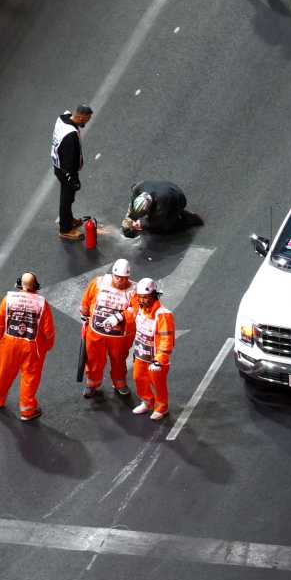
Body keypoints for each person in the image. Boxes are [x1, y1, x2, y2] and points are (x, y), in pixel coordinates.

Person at [0, 271, 55, 421]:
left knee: (4, 372)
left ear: (20, 285)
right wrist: (48, 346)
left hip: (8, 345)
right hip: (32, 347)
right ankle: (27, 410)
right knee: (29, 378)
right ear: (35, 287)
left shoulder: (8, 299)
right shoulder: (42, 304)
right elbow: (48, 331)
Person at [79, 259, 136, 400]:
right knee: (93, 359)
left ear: (128, 276)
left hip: (119, 338)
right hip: (95, 334)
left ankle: (119, 383)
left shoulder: (134, 291)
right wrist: (84, 313)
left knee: (119, 361)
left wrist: (119, 316)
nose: (121, 281)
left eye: (124, 278)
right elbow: (87, 300)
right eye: (118, 277)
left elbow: (137, 310)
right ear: (113, 274)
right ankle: (92, 383)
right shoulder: (99, 283)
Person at [130, 278, 175, 421]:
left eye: (145, 297)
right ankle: (147, 402)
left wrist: (159, 360)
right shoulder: (139, 308)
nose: (142, 300)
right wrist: (117, 317)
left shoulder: (163, 315)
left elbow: (166, 339)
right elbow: (129, 309)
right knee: (138, 378)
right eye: (140, 297)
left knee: (158, 385)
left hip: (156, 360)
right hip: (141, 355)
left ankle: (162, 407)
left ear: (154, 296)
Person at [51, 106, 92, 240]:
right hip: (65, 170)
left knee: (68, 197)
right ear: (80, 117)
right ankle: (65, 229)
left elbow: (67, 113)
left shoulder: (63, 118)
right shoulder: (71, 135)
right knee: (66, 199)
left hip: (57, 165)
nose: (87, 122)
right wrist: (73, 180)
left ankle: (68, 219)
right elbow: (68, 164)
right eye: (86, 119)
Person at [121, 180, 198, 236]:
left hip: (177, 198)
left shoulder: (160, 204)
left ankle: (185, 222)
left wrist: (141, 223)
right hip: (165, 187)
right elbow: (132, 203)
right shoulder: (138, 188)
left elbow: (155, 221)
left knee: (164, 225)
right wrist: (129, 218)